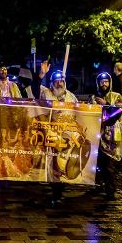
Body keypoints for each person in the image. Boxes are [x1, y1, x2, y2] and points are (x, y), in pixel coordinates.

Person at [39, 62, 78, 206]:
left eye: (61, 80)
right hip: (51, 135)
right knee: (53, 165)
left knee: (64, 163)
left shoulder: (72, 97)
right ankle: (56, 192)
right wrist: (41, 75)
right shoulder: (46, 93)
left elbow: (78, 112)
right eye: (56, 80)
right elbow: (33, 92)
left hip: (66, 136)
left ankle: (59, 192)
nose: (59, 83)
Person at [90, 72, 122, 200]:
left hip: (111, 137)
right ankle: (98, 186)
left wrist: (106, 103)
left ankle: (110, 190)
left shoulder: (116, 96)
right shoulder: (93, 98)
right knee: (97, 164)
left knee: (109, 166)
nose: (104, 84)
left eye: (106, 81)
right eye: (101, 82)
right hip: (97, 136)